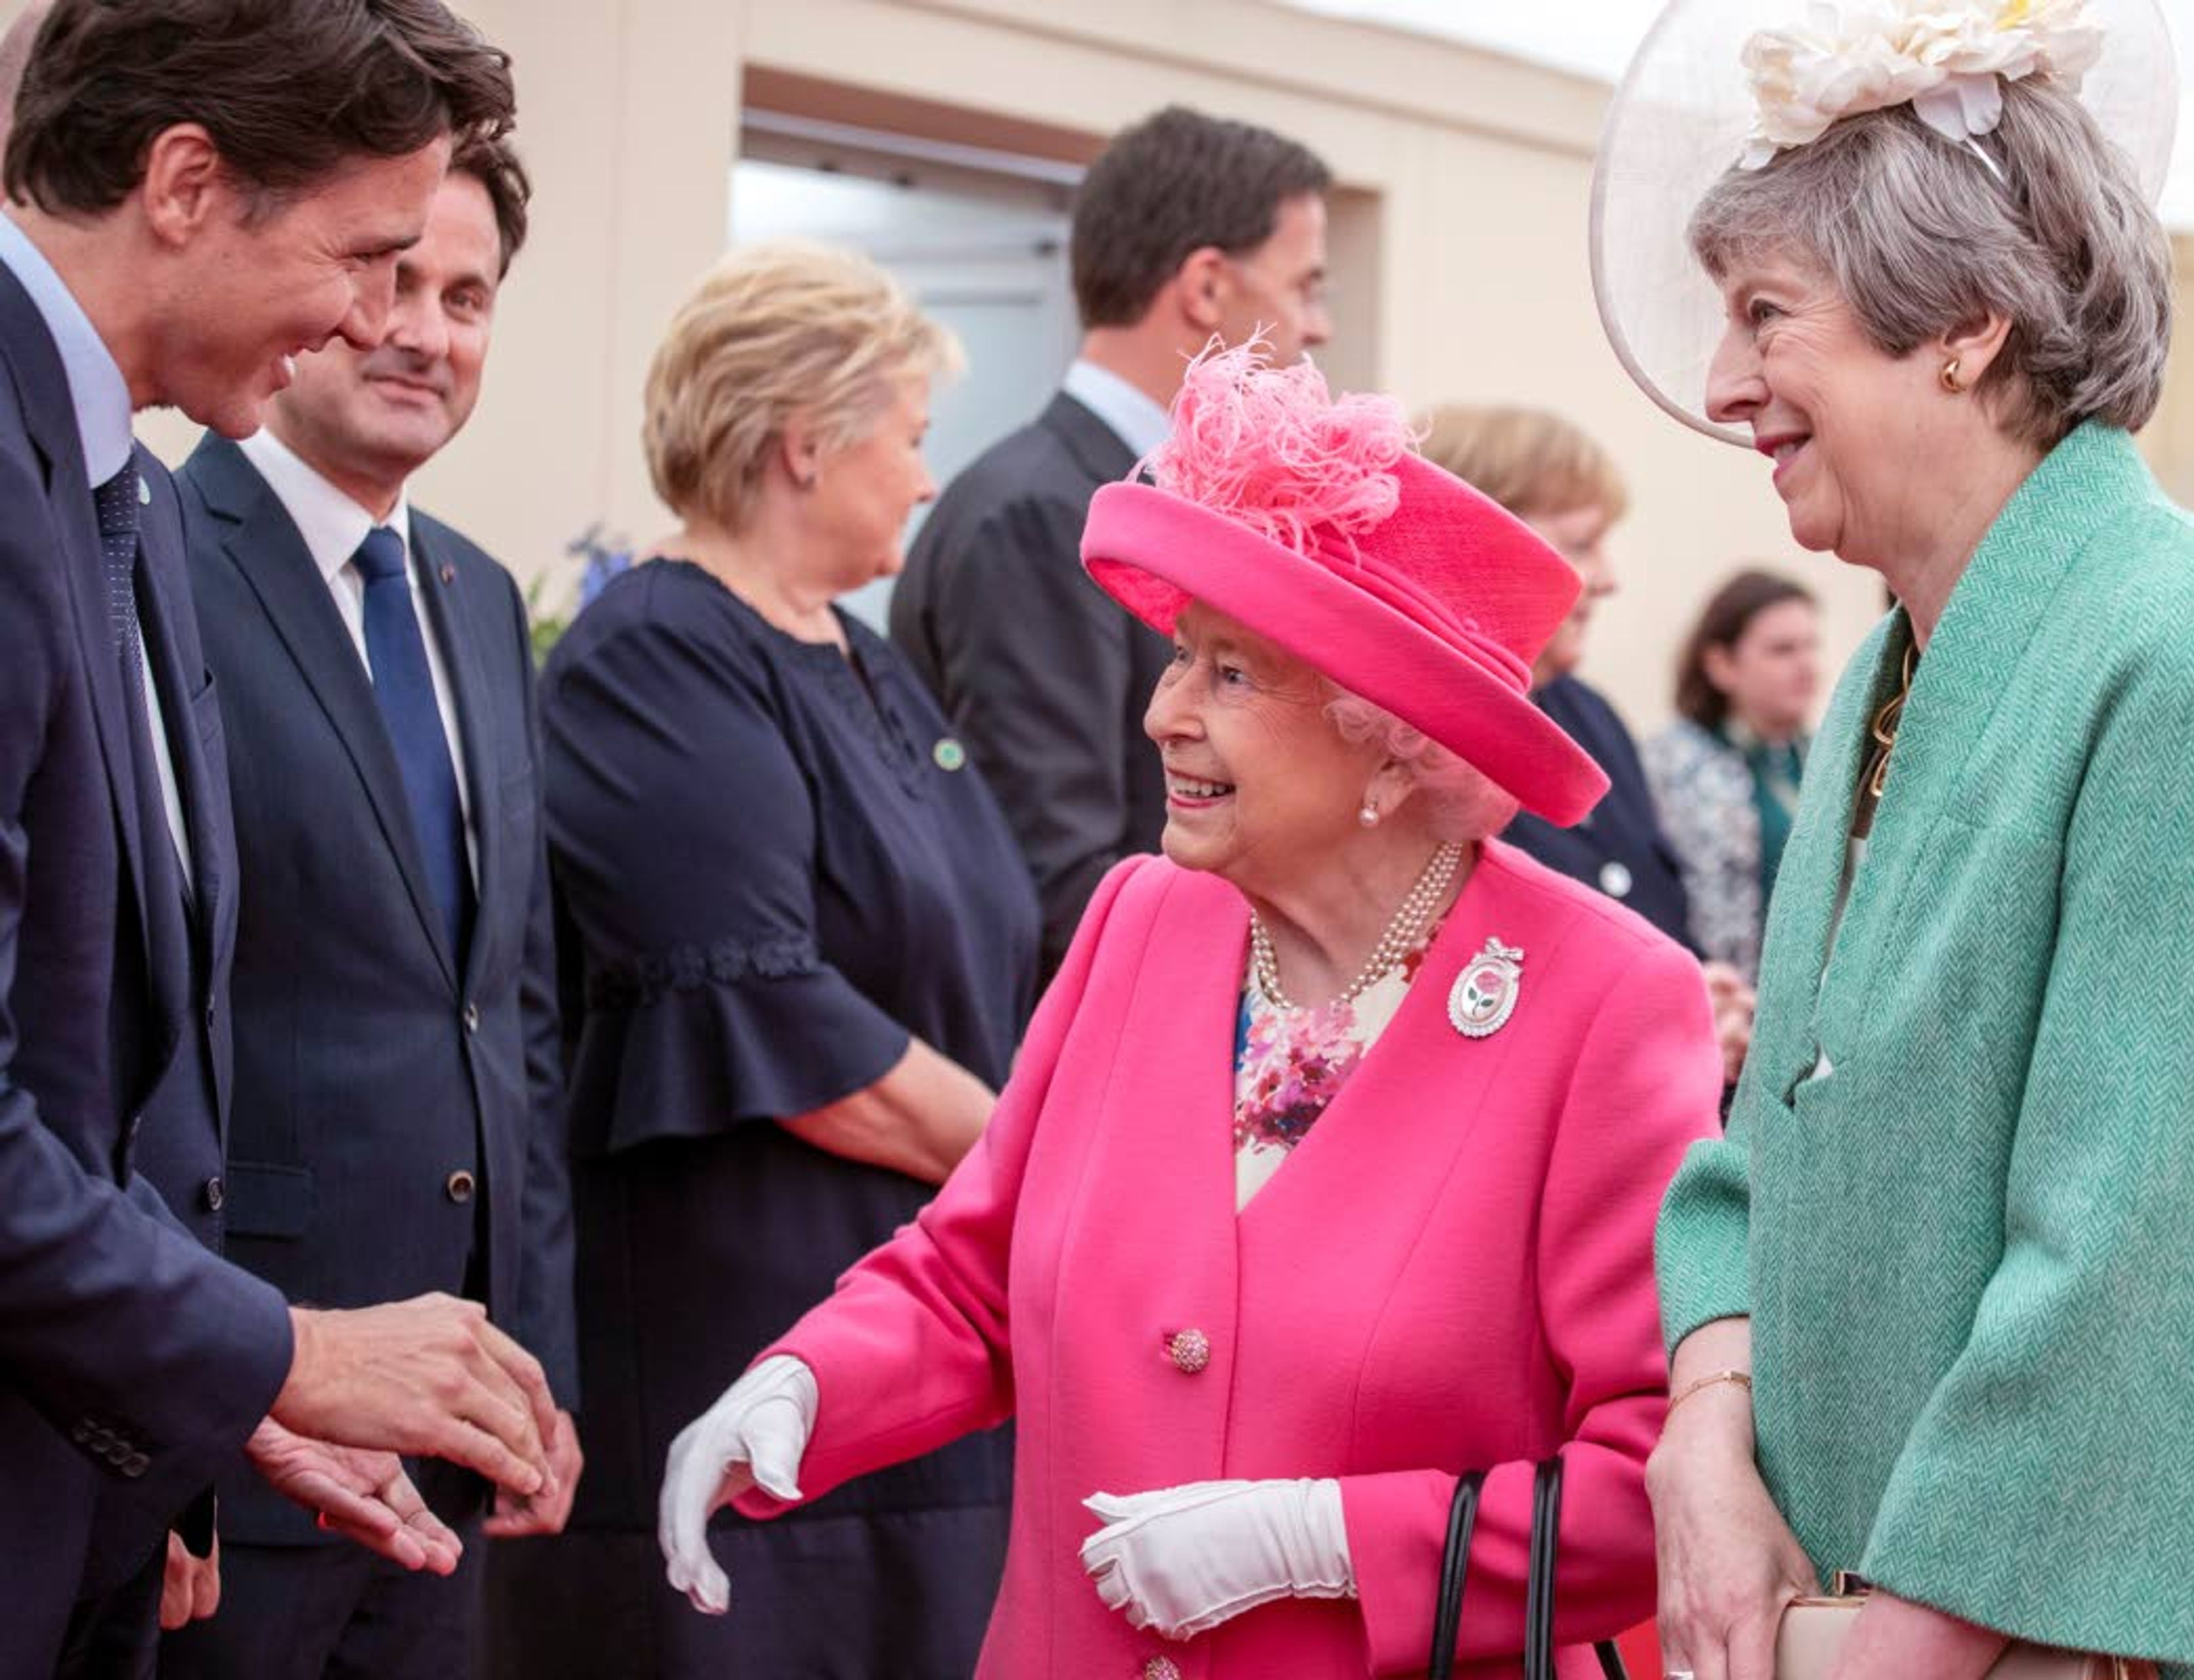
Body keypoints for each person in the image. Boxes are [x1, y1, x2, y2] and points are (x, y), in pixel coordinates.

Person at [656, 345, 1722, 1679]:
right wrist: (808, 1380)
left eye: (1231, 675)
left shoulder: (1607, 1003)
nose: (1162, 713)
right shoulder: (1140, 919)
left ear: (1392, 733)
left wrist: (1322, 1537)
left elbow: (1661, 1481)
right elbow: (975, 1275)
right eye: (1177, 658)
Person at [1588, 3, 2194, 1675]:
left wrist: (1891, 1637)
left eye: (1763, 314)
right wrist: (1705, 1418)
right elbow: (1769, 1146)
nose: (1720, 381)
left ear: (1962, 321)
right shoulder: (1903, 659)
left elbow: (2149, 1250)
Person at [0, 2, 559, 1670]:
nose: (366, 320)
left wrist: (200, 1405)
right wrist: (275, 1346)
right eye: (366, 255)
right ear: (185, 182)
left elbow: (112, 1066)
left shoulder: (124, 495)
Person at [486, 243, 1040, 1679]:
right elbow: (771, 1012)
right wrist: (1041, 1171)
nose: (928, 479)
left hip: (909, 1343)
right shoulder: (654, 656)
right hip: (740, 1335)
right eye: (911, 438)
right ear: (806, 440)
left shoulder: (862, 655)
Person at [159, 131, 580, 1680]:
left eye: (467, 297)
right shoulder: (153, 551)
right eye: (395, 278)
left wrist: (539, 1366)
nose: (426, 329)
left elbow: (510, 1007)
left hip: (456, 1438)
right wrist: (169, 1426)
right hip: (246, 1412)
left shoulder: (478, 598)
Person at [891, 104, 1333, 986]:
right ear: (1206, 289)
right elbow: (1059, 876)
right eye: (1306, 287)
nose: (1316, 327)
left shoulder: (1141, 497)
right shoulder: (1041, 517)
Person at [1419, 404, 1753, 1080]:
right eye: (1580, 543)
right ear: (1481, 535)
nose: (1607, 579)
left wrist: (1689, 992)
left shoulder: (1591, 715)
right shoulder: (1416, 744)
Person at [1642, 570, 1820, 979]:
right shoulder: (1673, 765)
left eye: (1811, 646)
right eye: (1782, 650)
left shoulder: (1825, 754)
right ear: (1722, 665)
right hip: (1724, 1002)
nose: (1807, 665)